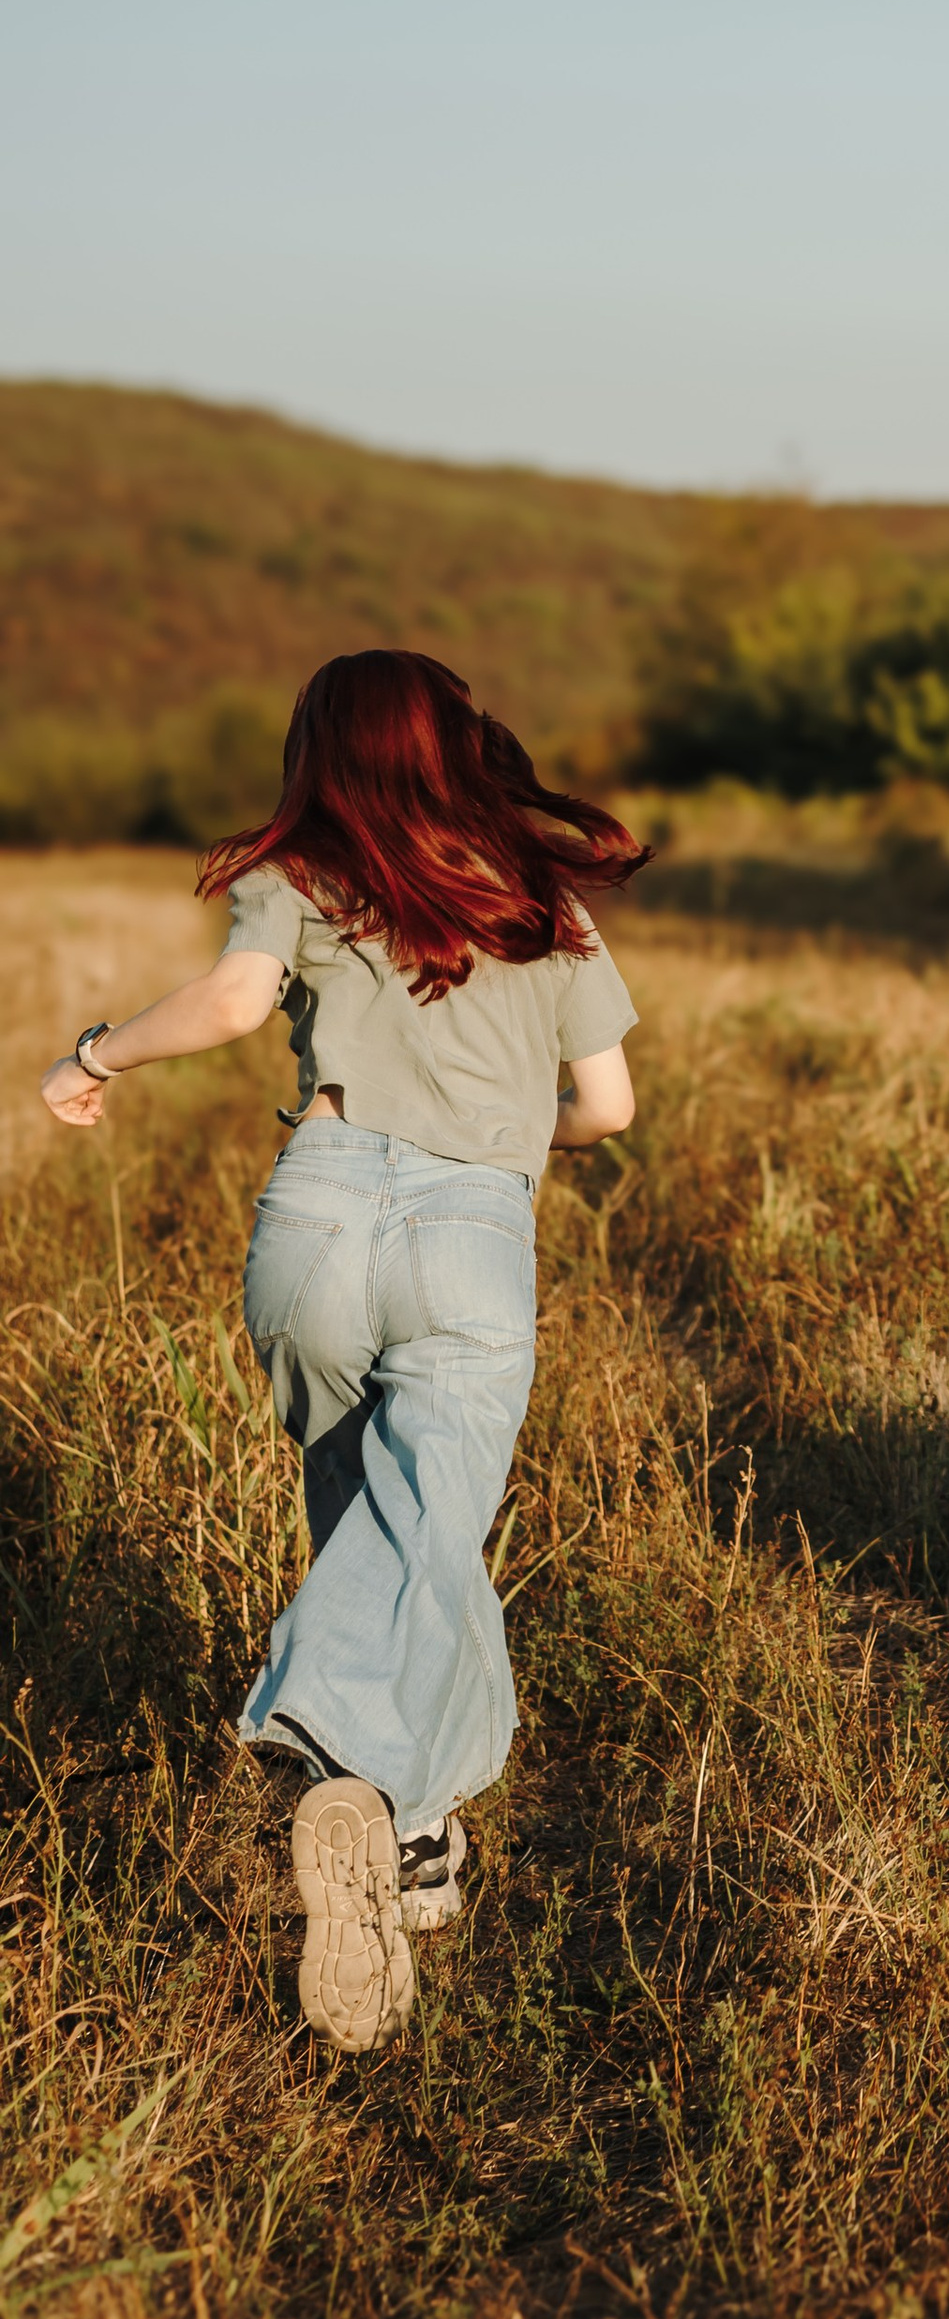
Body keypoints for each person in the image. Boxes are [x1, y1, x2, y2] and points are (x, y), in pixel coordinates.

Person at [39, 650, 646, 2053]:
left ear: (322, 751)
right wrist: (505, 1132)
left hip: (314, 1219)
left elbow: (239, 1007)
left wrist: (98, 1053)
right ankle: (338, 1745)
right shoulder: (538, 900)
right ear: (461, 746)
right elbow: (606, 1106)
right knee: (425, 1525)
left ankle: (414, 1842)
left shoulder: (303, 869)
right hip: (470, 1234)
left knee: (383, 1522)